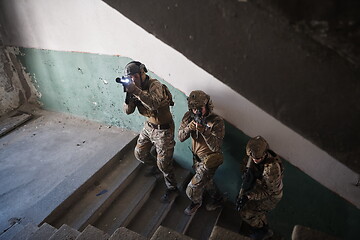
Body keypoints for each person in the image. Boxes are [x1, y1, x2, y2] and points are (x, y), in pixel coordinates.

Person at [122, 61, 178, 203]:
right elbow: (128, 111)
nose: (133, 79)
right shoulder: (135, 89)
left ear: (142, 73)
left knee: (164, 164)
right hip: (149, 127)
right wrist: (128, 95)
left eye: (135, 76)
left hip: (163, 129)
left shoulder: (155, 85)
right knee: (139, 154)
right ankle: (157, 166)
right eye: (130, 77)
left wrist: (135, 91)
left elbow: (154, 104)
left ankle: (172, 187)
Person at [178, 90, 225, 215]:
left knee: (191, 190)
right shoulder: (189, 117)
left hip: (209, 160)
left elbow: (215, 147)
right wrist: (189, 128)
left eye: (200, 108)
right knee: (207, 182)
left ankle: (196, 202)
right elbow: (180, 137)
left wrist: (205, 131)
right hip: (196, 158)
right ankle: (218, 198)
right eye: (193, 109)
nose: (197, 112)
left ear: (207, 105)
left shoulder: (216, 121)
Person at [236, 136, 284, 240]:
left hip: (272, 195)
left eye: (257, 159)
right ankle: (262, 226)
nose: (254, 160)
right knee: (254, 210)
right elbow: (245, 166)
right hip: (259, 186)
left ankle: (261, 231)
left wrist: (248, 196)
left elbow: (268, 191)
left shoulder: (272, 169)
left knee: (246, 213)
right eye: (252, 158)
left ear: (265, 154)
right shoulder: (253, 155)